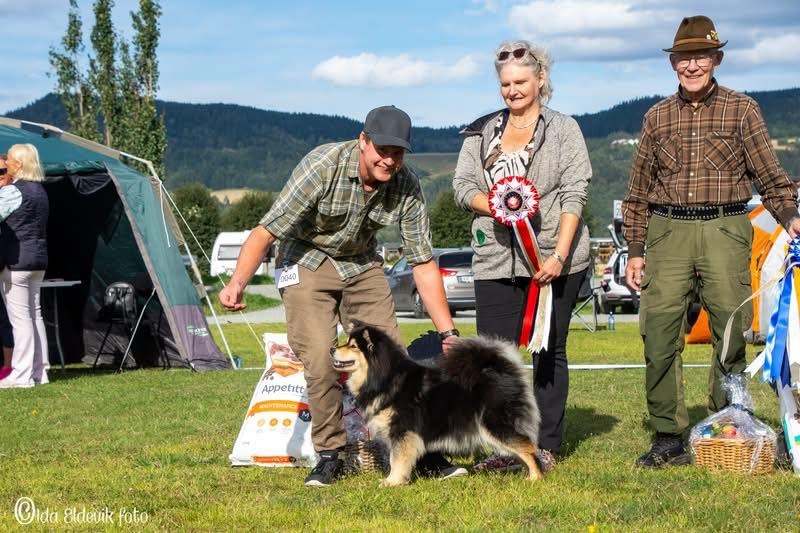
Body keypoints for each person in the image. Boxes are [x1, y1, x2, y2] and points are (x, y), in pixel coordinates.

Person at [219, 105, 464, 486]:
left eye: (397, 153)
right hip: (305, 259)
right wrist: (237, 282)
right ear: (363, 140)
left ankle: (419, 449)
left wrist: (448, 333)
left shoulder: (406, 186)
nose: (389, 160)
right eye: (382, 149)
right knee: (321, 356)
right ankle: (331, 454)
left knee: (391, 356)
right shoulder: (323, 166)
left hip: (360, 263)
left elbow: (422, 262)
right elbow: (266, 231)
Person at [622, 15, 800, 468]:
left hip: (726, 227)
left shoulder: (743, 109)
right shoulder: (656, 116)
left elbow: (770, 174)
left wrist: (791, 217)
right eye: (684, 58)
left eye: (701, 56)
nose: (692, 65)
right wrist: (636, 250)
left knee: (731, 331)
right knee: (659, 333)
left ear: (716, 59)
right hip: (668, 232)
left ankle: (726, 425)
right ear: (673, 63)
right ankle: (668, 436)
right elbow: (638, 191)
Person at [452, 40, 592, 472]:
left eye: (520, 82)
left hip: (553, 259)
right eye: (505, 84)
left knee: (548, 352)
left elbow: (575, 193)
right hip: (494, 258)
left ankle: (545, 446)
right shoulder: (480, 133)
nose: (512, 90)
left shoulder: (564, 129)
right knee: (493, 360)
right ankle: (505, 446)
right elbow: (462, 187)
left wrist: (559, 256)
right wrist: (496, 205)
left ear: (541, 79)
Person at [0, 144, 50, 389]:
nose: (6, 163)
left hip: (17, 262)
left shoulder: (13, 191)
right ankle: (41, 372)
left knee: (20, 320)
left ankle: (21, 376)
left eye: (8, 160)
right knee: (35, 315)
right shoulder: (40, 191)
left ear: (18, 164)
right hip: (38, 261)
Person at [0, 156, 14, 382]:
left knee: (7, 317)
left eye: (2, 171)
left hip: (9, 264)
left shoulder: (13, 195)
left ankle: (8, 366)